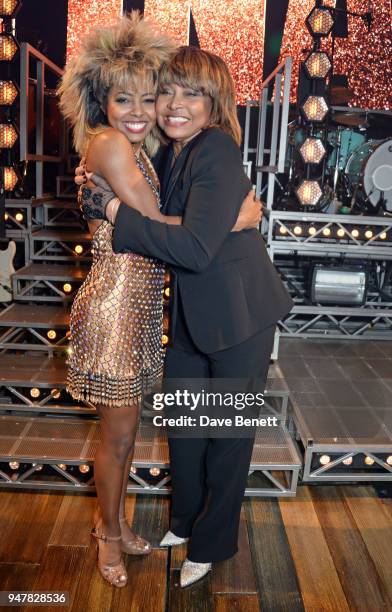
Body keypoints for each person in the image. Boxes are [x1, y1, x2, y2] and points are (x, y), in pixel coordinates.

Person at [78, 45, 293, 587]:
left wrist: (112, 213)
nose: (173, 105)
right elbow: (188, 230)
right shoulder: (173, 150)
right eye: (166, 92)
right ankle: (183, 521)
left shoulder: (216, 148)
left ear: (215, 103)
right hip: (192, 312)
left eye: (190, 94)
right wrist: (233, 222)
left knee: (225, 434)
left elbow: (194, 247)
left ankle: (212, 542)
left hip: (239, 313)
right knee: (188, 430)